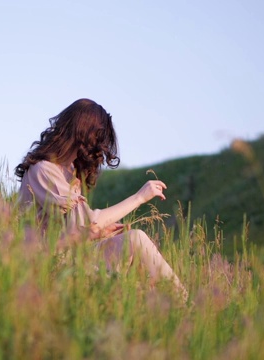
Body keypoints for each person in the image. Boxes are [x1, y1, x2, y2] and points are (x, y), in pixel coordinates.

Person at [16, 98, 187, 299]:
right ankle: (179, 304)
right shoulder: (44, 170)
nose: (101, 147)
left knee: (136, 239)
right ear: (85, 134)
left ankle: (182, 303)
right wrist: (139, 198)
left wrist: (96, 233)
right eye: (99, 138)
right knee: (129, 280)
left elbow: (73, 230)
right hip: (46, 267)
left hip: (68, 258)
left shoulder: (68, 172)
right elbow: (89, 222)